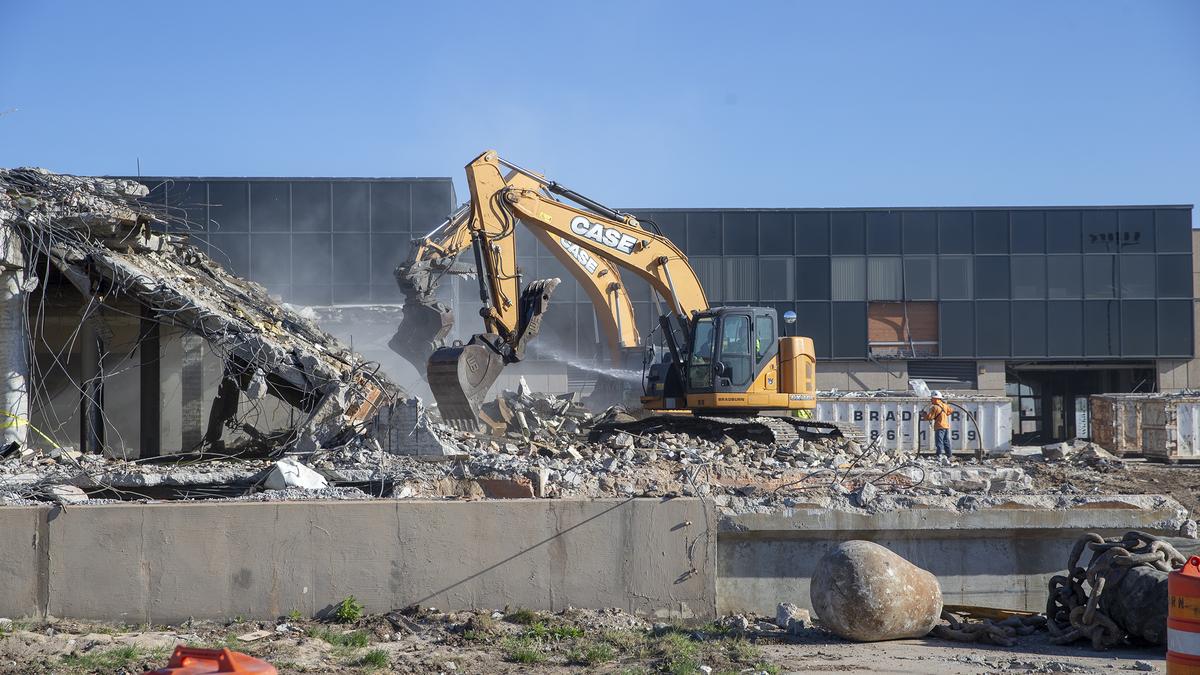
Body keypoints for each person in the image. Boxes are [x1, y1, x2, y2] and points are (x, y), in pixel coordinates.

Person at [921, 392, 953, 463]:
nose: (931, 400)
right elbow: (950, 411)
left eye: (932, 398)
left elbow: (930, 417)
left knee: (939, 442)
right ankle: (949, 455)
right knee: (946, 441)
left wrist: (924, 415)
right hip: (946, 426)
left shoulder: (935, 407)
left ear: (936, 399)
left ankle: (939, 455)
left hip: (939, 426)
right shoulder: (944, 405)